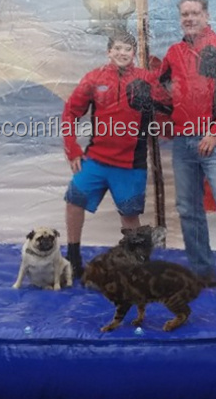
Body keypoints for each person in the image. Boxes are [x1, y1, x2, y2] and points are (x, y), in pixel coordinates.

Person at [158, 0, 216, 293]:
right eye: (184, 14)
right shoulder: (173, 54)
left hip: (215, 141)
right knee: (188, 208)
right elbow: (161, 92)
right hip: (183, 143)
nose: (189, 18)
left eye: (194, 13)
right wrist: (165, 126)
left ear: (207, 15)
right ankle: (202, 272)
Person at [62, 31, 168, 280]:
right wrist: (73, 149)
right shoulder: (93, 78)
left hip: (130, 165)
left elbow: (169, 105)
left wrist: (159, 89)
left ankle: (137, 266)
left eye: (128, 49)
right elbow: (70, 113)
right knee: (73, 199)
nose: (122, 53)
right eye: (118, 48)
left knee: (130, 216)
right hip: (96, 160)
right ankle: (74, 259)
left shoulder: (146, 79)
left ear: (134, 53)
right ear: (109, 52)